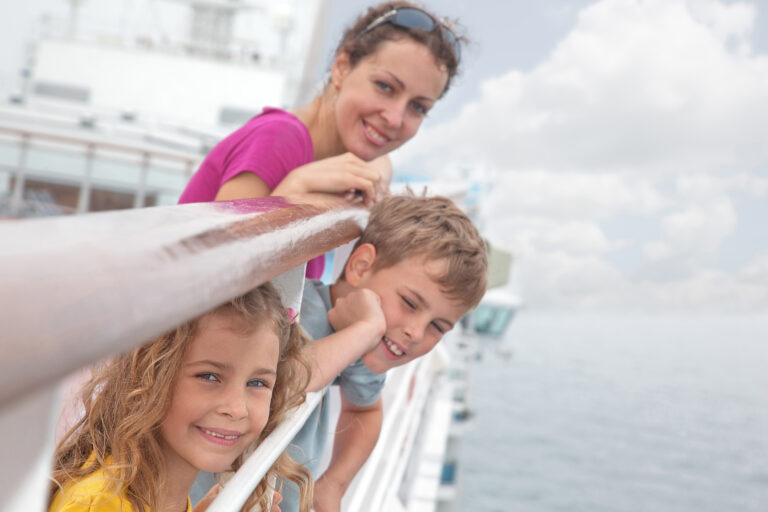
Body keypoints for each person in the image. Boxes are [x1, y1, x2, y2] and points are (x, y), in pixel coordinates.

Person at [177, 0, 465, 279]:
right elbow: (217, 275)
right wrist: (295, 189)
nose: (394, 118)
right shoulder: (279, 139)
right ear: (341, 67)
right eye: (385, 86)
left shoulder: (333, 155)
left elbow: (382, 163)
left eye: (418, 107)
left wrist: (373, 175)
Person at [283, 191, 488, 512]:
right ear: (361, 266)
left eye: (438, 327)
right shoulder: (297, 313)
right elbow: (281, 385)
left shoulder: (366, 343)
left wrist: (333, 484)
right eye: (409, 303)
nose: (415, 333)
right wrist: (365, 330)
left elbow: (364, 410)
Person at [48, 284, 312, 512]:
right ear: (149, 375)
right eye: (209, 377)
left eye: (257, 383)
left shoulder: (156, 491)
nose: (236, 408)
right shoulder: (98, 503)